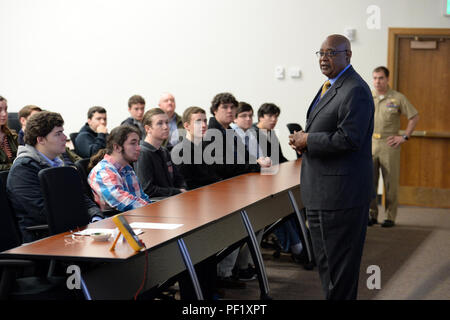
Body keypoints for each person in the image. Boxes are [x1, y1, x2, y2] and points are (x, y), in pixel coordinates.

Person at [289, 34, 374, 300]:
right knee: (329, 267)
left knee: (338, 269)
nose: (324, 59)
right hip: (324, 191)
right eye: (321, 53)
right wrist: (305, 140)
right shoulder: (332, 85)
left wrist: (309, 139)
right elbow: (328, 129)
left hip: (338, 195)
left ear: (348, 55)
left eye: (331, 53)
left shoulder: (355, 89)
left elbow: (350, 138)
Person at [7, 111, 104, 243]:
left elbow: (82, 198)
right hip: (44, 239)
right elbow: (42, 212)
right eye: (58, 134)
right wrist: (84, 218)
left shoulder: (59, 164)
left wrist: (96, 218)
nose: (65, 137)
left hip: (72, 230)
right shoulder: (23, 170)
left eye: (63, 132)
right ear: (40, 139)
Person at [369, 66, 419, 228]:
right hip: (370, 144)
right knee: (369, 182)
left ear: (387, 79)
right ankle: (372, 215)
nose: (377, 81)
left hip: (389, 144)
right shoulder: (368, 97)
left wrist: (404, 136)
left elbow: (414, 116)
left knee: (390, 183)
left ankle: (390, 216)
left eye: (381, 78)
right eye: (375, 78)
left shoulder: (397, 98)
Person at [88, 124, 151, 212]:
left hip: (134, 216)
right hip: (113, 222)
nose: (138, 148)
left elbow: (141, 197)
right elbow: (122, 202)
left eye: (138, 143)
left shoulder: (128, 169)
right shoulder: (103, 171)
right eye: (133, 143)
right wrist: (150, 209)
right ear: (117, 147)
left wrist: (153, 207)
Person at [135, 108, 187, 198]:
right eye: (160, 123)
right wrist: (177, 191)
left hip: (172, 200)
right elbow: (147, 189)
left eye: (167, 122)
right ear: (148, 129)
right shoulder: (143, 153)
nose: (165, 127)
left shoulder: (164, 151)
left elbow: (178, 178)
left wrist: (182, 188)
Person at [173, 106, 222, 189]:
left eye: (205, 121)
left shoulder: (205, 147)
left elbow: (213, 177)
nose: (203, 125)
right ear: (186, 126)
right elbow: (187, 185)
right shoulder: (181, 152)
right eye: (198, 122)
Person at [0, 96, 19, 171]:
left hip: (15, 177)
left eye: (6, 109)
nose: (4, 114)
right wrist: (14, 166)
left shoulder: (12, 135)